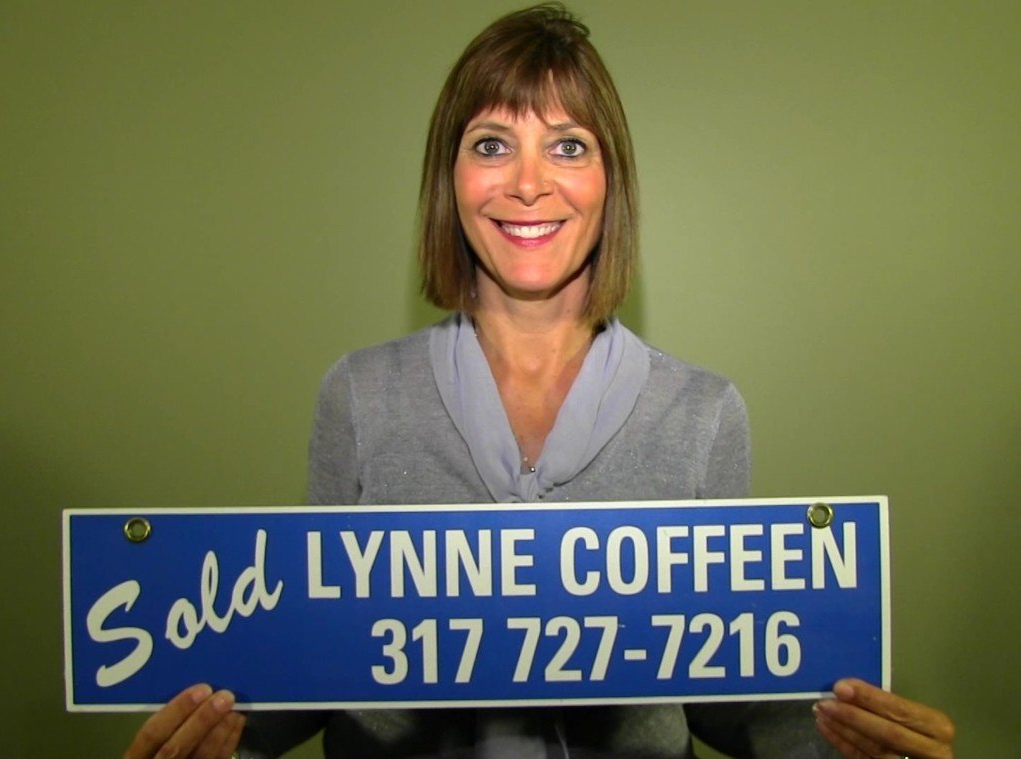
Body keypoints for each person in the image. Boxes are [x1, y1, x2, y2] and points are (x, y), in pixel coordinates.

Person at [123, 4, 956, 759]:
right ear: (450, 178)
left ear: (609, 179)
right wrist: (214, 738)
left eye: (568, 145)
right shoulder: (359, 396)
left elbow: (719, 688)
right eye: (491, 144)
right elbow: (315, 658)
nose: (528, 184)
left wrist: (852, 742)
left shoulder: (704, 414)